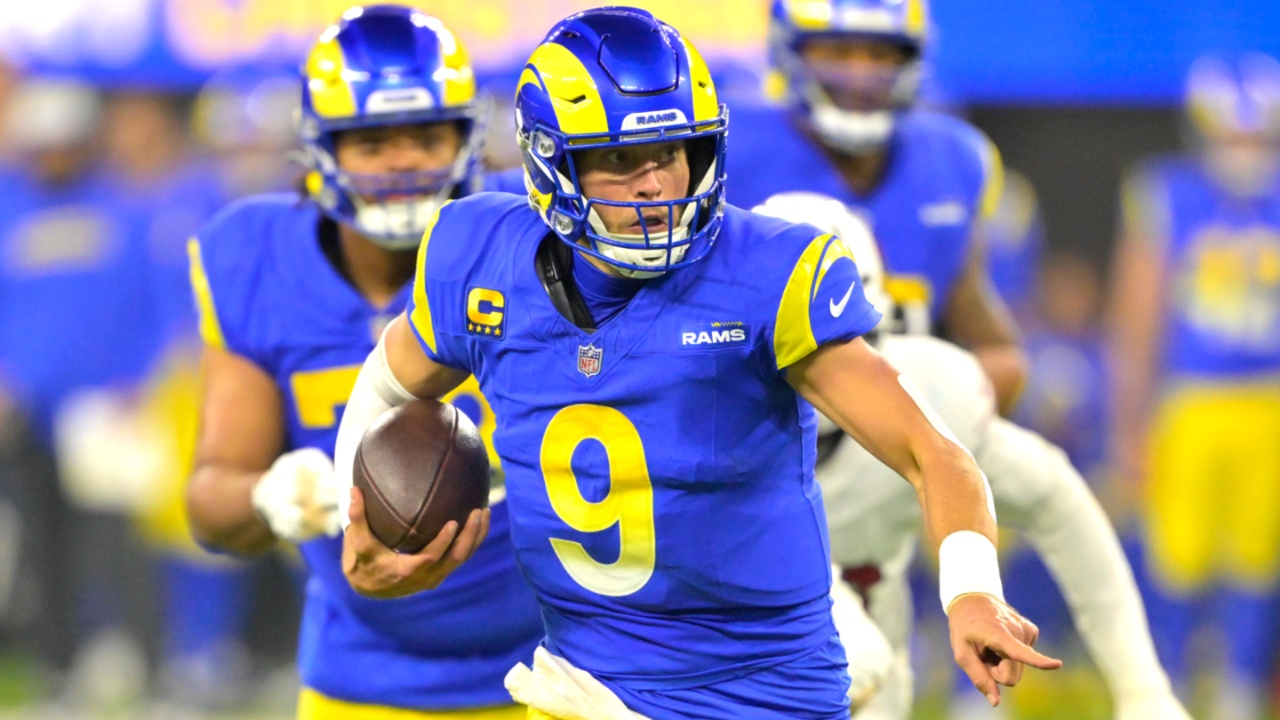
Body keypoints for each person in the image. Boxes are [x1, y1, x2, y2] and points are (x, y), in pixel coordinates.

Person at [331, 8, 1059, 720]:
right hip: (588, 687)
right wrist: (355, 518)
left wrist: (972, 590)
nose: (654, 186)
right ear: (551, 160)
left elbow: (936, 455)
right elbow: (388, 381)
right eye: (619, 160)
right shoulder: (480, 256)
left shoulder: (768, 274)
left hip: (765, 694)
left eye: (671, 153)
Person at [185, 5, 541, 718]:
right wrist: (272, 497)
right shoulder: (257, 256)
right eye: (373, 141)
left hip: (556, 667)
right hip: (364, 676)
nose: (403, 161)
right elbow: (209, 501)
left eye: (426, 136)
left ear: (467, 137)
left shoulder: (530, 237)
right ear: (322, 147)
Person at [754, 191, 1190, 720]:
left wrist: (1142, 689)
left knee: (871, 671)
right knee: (854, 660)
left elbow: (1056, 498)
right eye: (783, 343)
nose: (810, 370)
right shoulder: (694, 423)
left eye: (835, 341)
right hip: (730, 655)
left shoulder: (929, 388)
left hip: (877, 637)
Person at [728, 0, 1027, 415]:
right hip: (755, 415)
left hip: (903, 417)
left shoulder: (951, 159)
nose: (860, 76)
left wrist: (937, 420)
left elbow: (1000, 356)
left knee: (1036, 459)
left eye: (880, 53)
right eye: (837, 52)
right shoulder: (729, 149)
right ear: (789, 50)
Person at [1108, 52, 1280, 720]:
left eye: (1256, 137)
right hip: (1190, 401)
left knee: (1258, 561)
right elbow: (1138, 312)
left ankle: (1238, 690)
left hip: (1268, 400)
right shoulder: (1168, 192)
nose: (1245, 151)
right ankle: (1167, 689)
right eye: (1233, 136)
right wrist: (1129, 420)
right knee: (1176, 560)